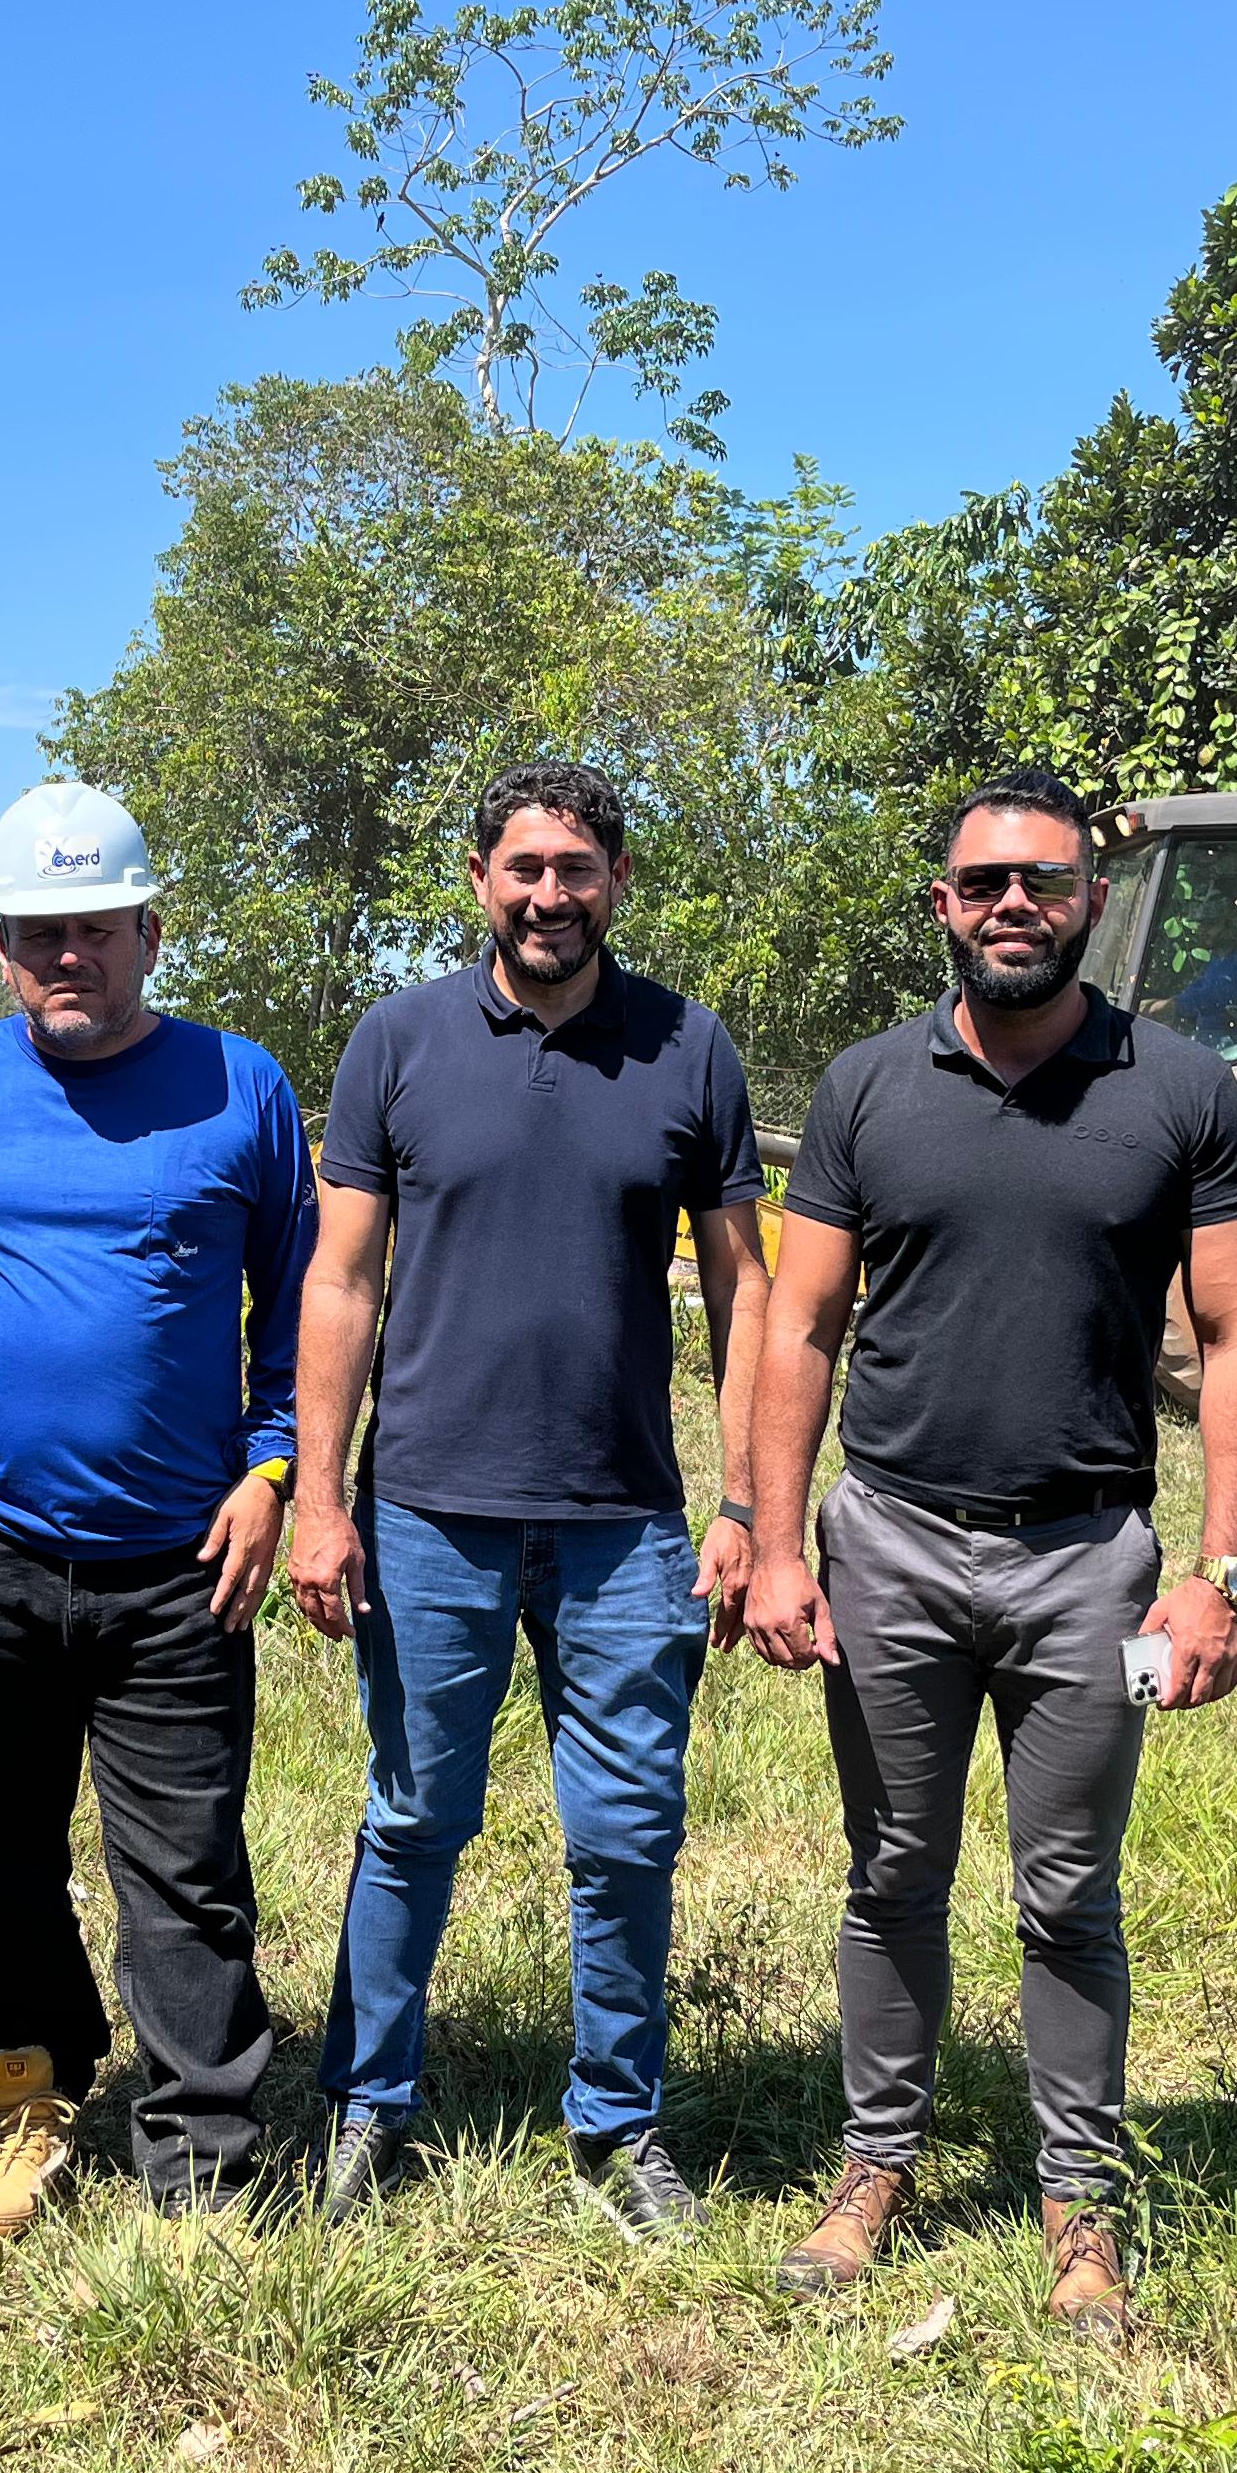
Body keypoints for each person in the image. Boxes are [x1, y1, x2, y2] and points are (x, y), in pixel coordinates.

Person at [744, 772, 1237, 2329]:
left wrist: (1221, 1575)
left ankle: (1080, 2209)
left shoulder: (1180, 1091)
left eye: (1043, 881)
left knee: (1069, 1897)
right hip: (889, 1549)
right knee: (892, 1876)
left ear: (1090, 901)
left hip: (1089, 1563)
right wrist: (777, 1546)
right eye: (983, 883)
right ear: (944, 905)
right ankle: (874, 2170)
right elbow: (799, 1324)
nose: (1012, 907)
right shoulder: (866, 1088)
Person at [288, 759, 769, 2240]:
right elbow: (340, 1280)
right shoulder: (400, 1040)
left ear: (616, 880)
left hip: (625, 1516)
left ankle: (618, 2125)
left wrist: (749, 1503)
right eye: (524, 867)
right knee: (413, 1815)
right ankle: (369, 2106)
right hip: (428, 1506)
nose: (549, 894)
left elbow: (747, 1292)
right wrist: (320, 1497)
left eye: (577, 868)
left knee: (627, 1830)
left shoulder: (688, 1047)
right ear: (480, 880)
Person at [0, 781, 315, 2235]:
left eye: (93, 928)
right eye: (37, 934)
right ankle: (31, 2105)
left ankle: (204, 2155)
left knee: (184, 1870)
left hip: (182, 1561)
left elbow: (304, 1306)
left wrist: (275, 1470)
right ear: (2, 948)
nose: (65, 956)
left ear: (149, 930)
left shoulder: (239, 1085)